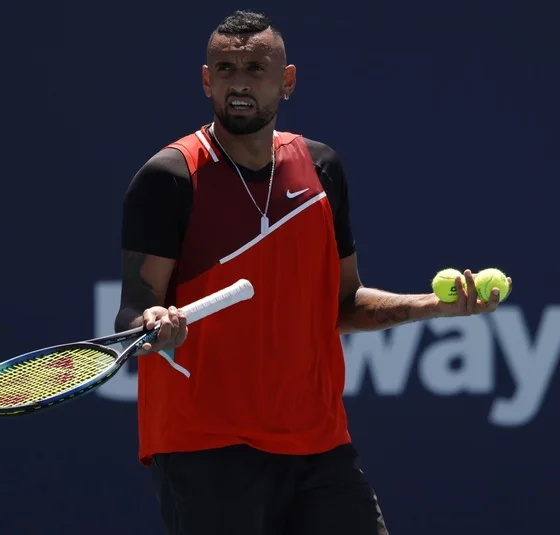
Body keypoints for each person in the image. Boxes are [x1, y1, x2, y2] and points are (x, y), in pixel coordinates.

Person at [115, 10, 512, 535]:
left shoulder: (322, 168)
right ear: (207, 80)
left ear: (287, 80)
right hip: (207, 449)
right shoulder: (169, 178)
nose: (240, 82)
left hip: (318, 445)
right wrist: (155, 326)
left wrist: (437, 306)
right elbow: (132, 312)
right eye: (226, 68)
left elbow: (342, 305)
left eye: (256, 68)